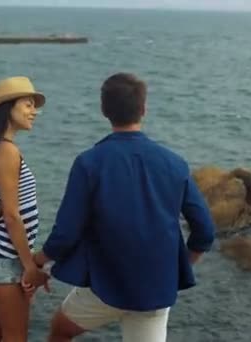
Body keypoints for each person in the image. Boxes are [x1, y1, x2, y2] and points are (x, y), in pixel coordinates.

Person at [33, 73, 216, 342]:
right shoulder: (175, 163)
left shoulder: (89, 163)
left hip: (106, 283)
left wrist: (37, 260)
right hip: (155, 288)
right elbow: (205, 231)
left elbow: (66, 233)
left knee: (61, 330)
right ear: (143, 109)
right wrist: (181, 266)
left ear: (104, 110)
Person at [0, 76, 50, 342]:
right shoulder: (7, 151)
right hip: (5, 258)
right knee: (15, 337)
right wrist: (28, 266)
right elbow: (12, 214)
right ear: (8, 108)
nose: (34, 112)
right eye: (27, 105)